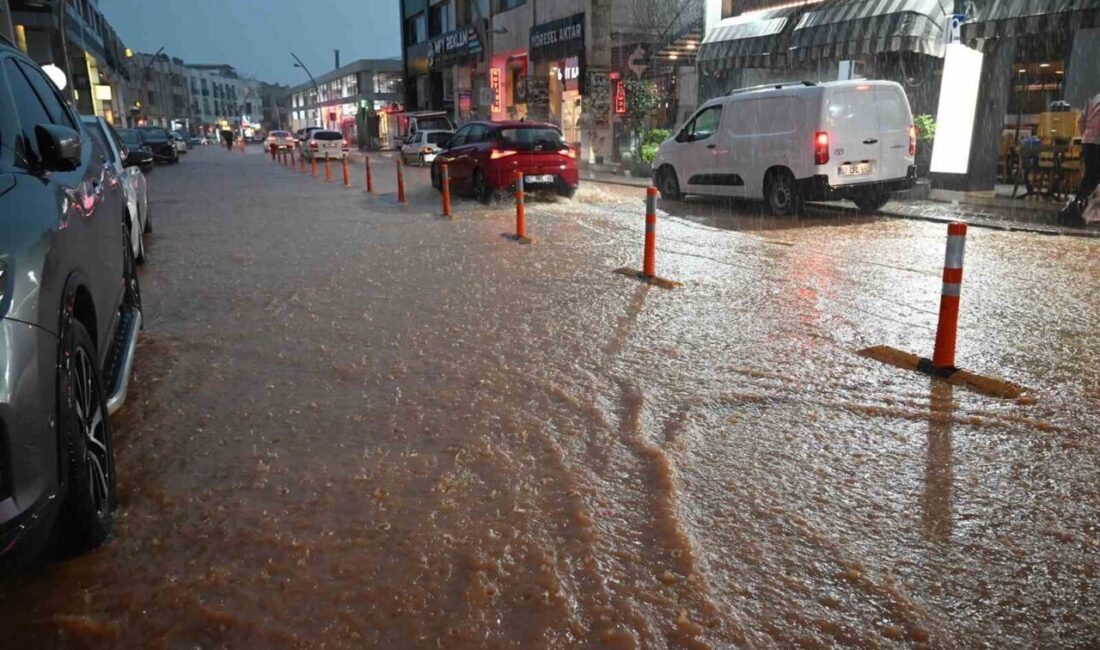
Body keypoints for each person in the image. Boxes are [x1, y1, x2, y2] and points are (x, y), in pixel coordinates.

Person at [1062, 92, 1100, 223]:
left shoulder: (1094, 99)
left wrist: (1086, 135)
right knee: (1094, 175)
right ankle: (1081, 206)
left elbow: (1080, 121)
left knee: (1091, 174)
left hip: (1088, 141)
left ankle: (1077, 204)